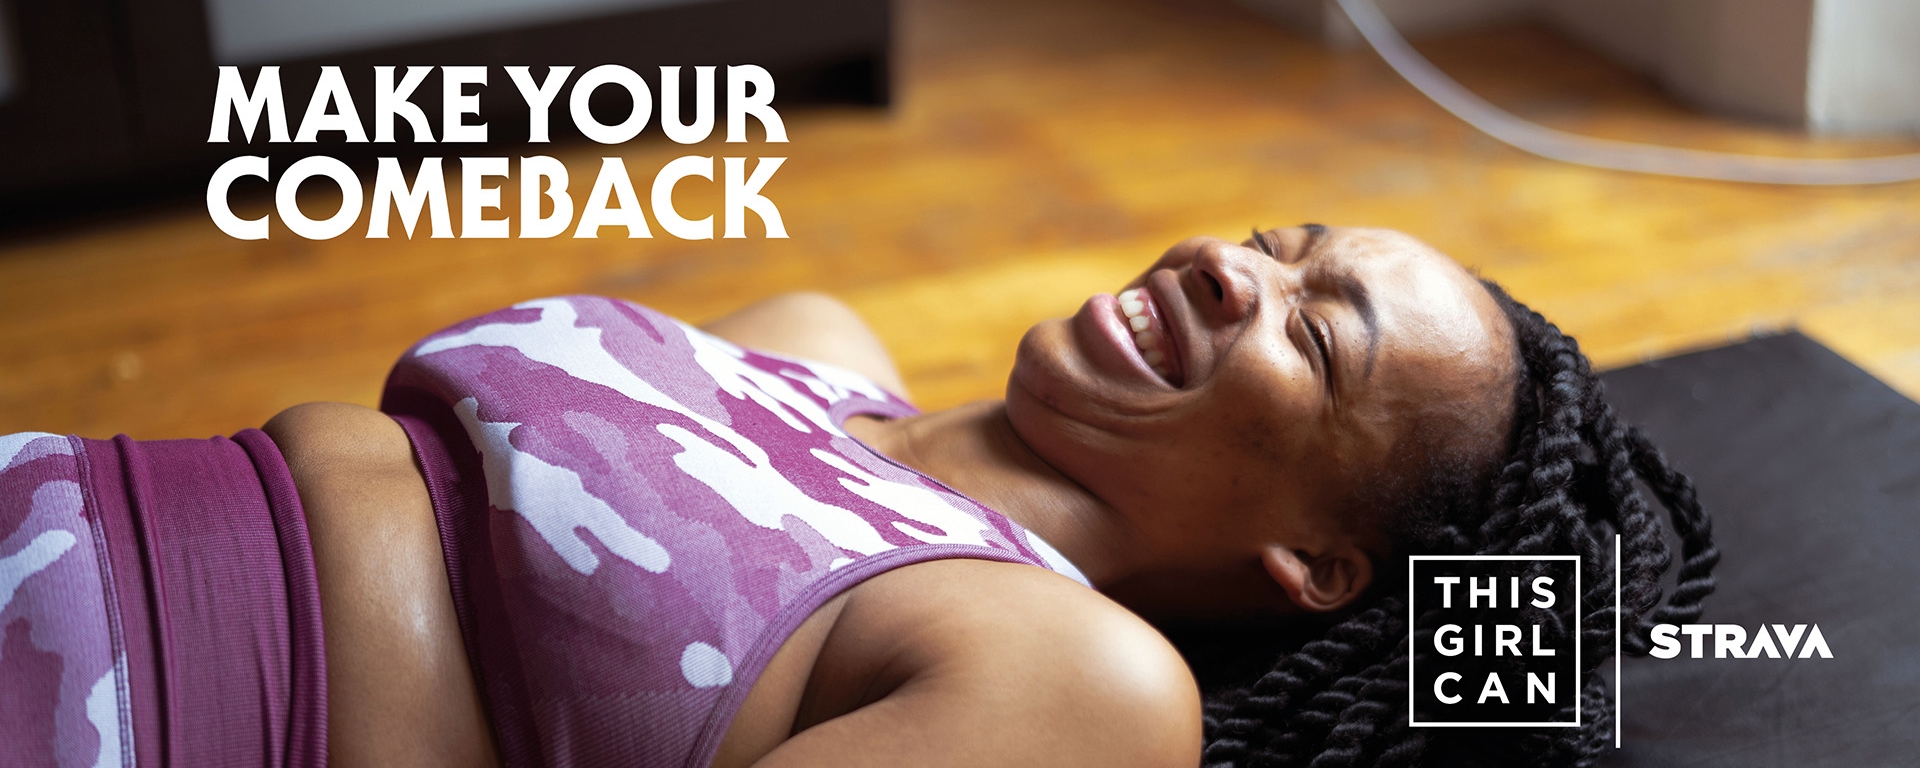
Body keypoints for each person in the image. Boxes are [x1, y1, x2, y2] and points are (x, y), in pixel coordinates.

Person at [0, 224, 1715, 768]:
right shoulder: (817, 346)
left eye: (1314, 332)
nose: (1225, 263)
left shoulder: (1072, 676)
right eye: (1280, 242)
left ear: (1320, 564)